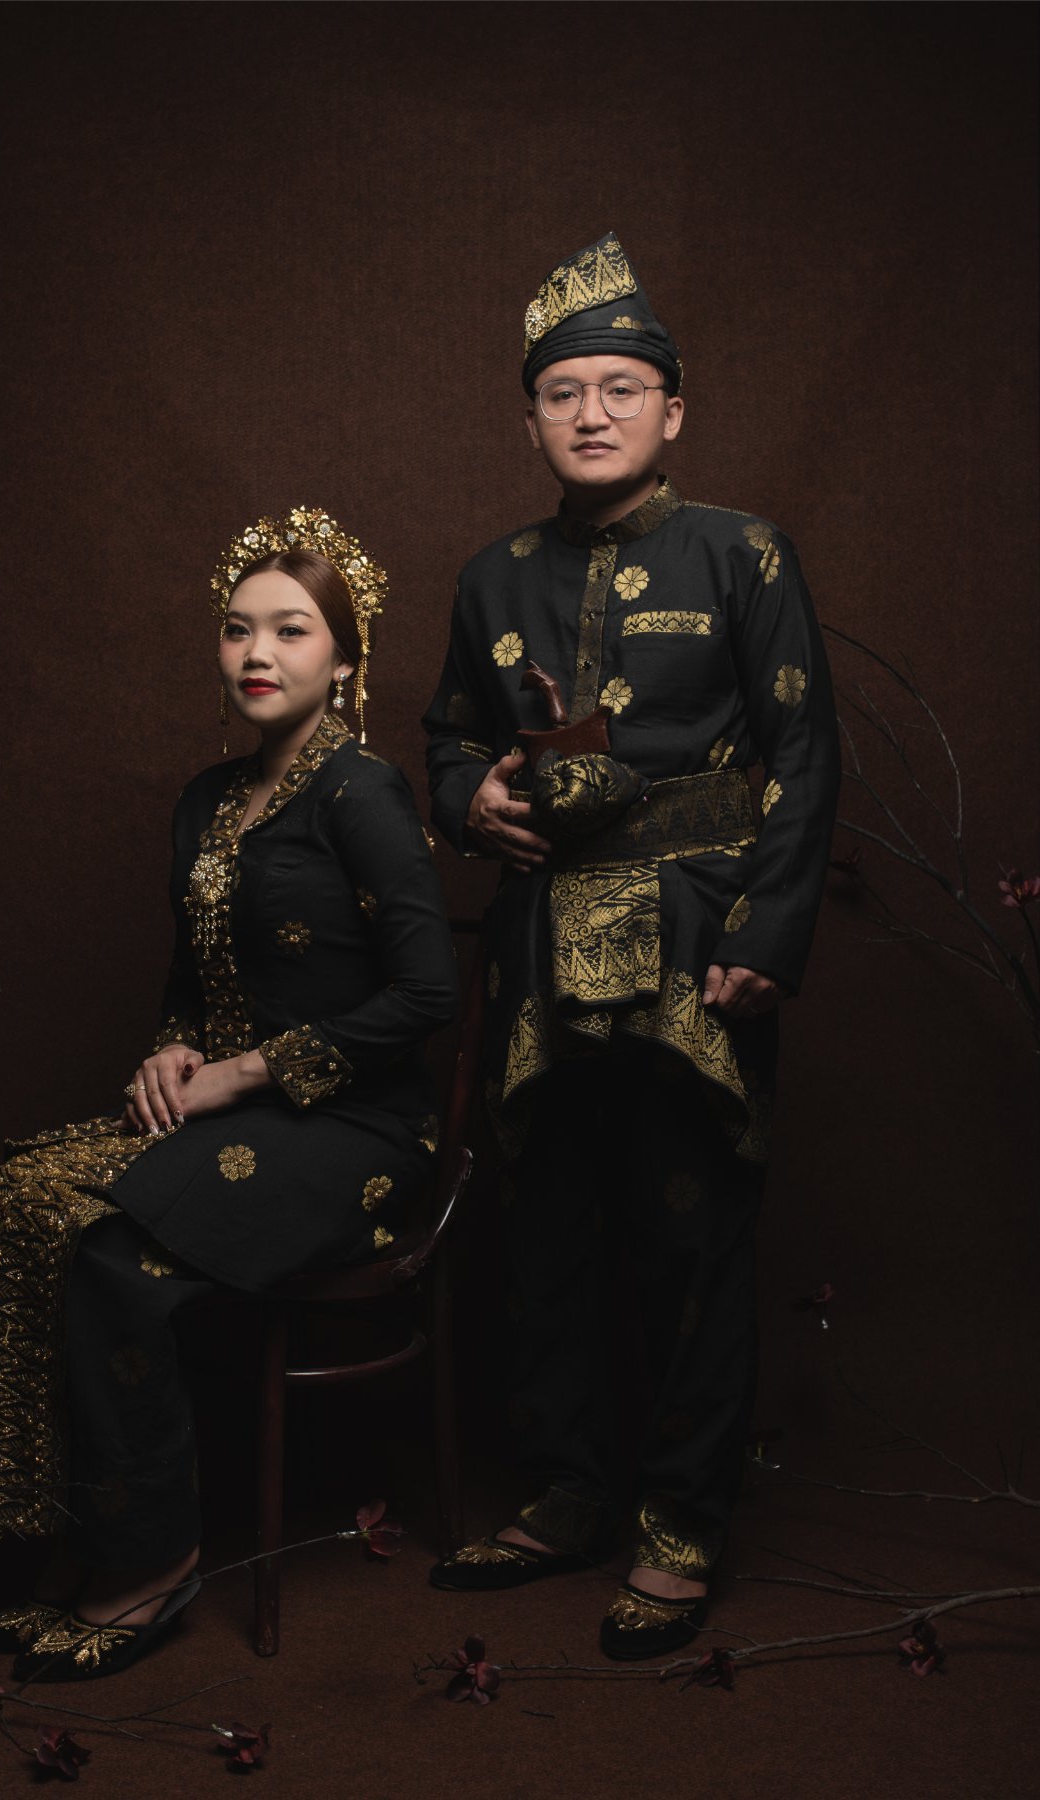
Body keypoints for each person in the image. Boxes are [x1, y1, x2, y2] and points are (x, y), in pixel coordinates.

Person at [0, 506, 458, 1681]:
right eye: (237, 628)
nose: (257, 652)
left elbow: (426, 994)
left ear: (342, 660)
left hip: (354, 1128)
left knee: (106, 1251)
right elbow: (190, 987)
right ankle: (51, 1543)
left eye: (290, 630)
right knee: (15, 1201)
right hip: (237, 1117)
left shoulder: (361, 792)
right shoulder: (205, 800)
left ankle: (147, 1562)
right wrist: (170, 1050)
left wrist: (246, 1072)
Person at [422, 233, 840, 1658]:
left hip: (694, 940)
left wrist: (770, 930)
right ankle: (566, 1494)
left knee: (688, 1231)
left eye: (619, 388)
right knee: (546, 1231)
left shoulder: (742, 552)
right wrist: (465, 800)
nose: (590, 413)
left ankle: (681, 1522)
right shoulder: (491, 577)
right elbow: (446, 739)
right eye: (561, 392)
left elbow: (802, 753)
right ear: (529, 419)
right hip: (542, 947)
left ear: (673, 409)